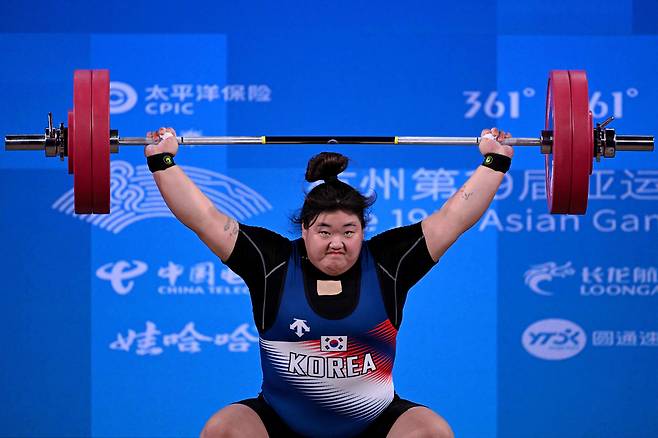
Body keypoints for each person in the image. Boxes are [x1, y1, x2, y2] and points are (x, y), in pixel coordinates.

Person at [145, 127, 513, 438]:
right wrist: (163, 161)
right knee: (223, 429)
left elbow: (454, 218)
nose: (337, 242)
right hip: (280, 423)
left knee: (432, 432)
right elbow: (203, 217)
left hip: (374, 423)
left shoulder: (389, 262)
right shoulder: (270, 262)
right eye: (324, 231)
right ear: (304, 230)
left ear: (363, 231)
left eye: (349, 231)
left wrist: (494, 162)